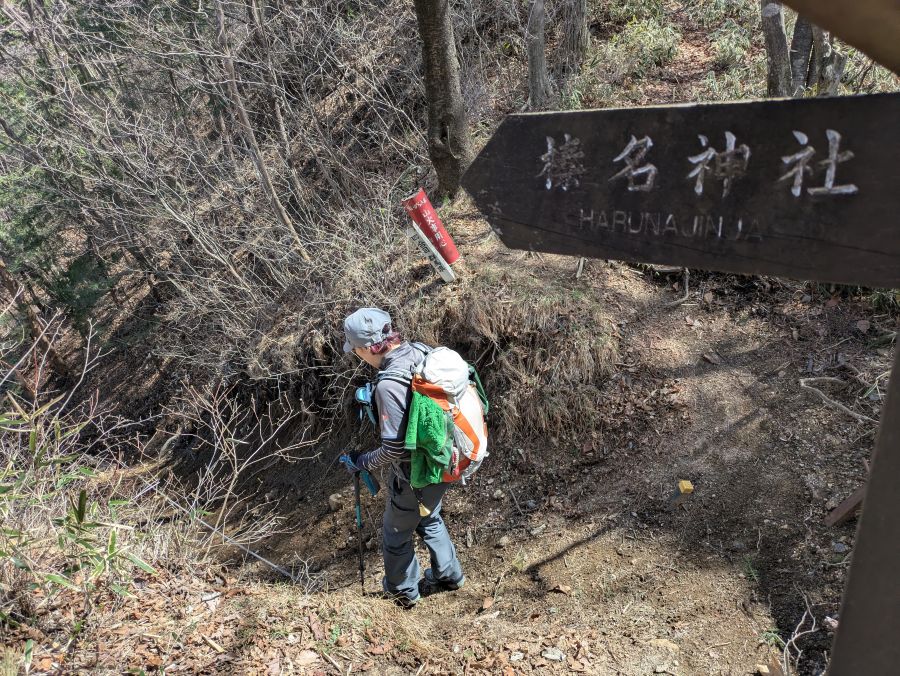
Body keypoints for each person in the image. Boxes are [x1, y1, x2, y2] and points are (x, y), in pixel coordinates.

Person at [340, 307, 465, 608]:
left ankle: (402, 591)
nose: (356, 355)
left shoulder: (388, 385)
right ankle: (449, 575)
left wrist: (361, 462)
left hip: (415, 474)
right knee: (428, 516)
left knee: (395, 533)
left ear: (366, 348)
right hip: (447, 459)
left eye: (355, 349)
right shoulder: (420, 351)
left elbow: (393, 449)